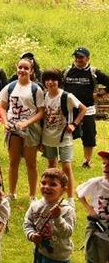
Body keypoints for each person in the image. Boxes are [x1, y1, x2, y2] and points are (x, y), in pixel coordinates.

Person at [0, 57, 45, 200]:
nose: (22, 70)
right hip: (13, 128)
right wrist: (5, 121)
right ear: (16, 68)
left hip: (30, 130)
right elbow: (2, 106)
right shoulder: (10, 87)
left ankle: (32, 195)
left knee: (31, 163)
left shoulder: (36, 89)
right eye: (20, 67)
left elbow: (41, 111)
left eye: (26, 68)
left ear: (31, 71)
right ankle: (12, 193)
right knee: (13, 162)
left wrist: (27, 123)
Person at [24, 168, 75, 263]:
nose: (47, 187)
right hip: (39, 253)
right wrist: (31, 235)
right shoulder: (35, 205)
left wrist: (58, 218)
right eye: (43, 183)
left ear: (63, 189)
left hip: (58, 258)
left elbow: (67, 232)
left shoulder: (67, 210)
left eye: (53, 184)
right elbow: (28, 223)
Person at [42, 68, 85, 200]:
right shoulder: (44, 95)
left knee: (66, 167)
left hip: (64, 136)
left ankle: (70, 198)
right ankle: (51, 195)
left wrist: (74, 124)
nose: (50, 82)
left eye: (54, 80)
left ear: (59, 81)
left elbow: (83, 109)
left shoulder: (67, 96)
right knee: (51, 168)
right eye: (47, 80)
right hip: (48, 136)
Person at [63, 47, 109, 169]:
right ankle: (64, 158)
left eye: (81, 57)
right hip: (70, 110)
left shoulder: (94, 72)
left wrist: (100, 93)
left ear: (87, 58)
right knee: (66, 134)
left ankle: (86, 161)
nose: (78, 59)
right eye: (76, 57)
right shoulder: (67, 71)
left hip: (88, 109)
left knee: (89, 136)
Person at [76, 151, 109, 263]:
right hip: (99, 234)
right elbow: (79, 192)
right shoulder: (97, 183)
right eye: (104, 163)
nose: (106, 167)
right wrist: (89, 208)